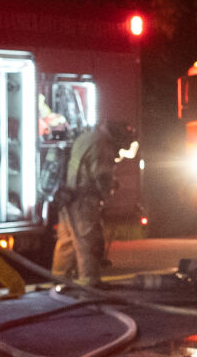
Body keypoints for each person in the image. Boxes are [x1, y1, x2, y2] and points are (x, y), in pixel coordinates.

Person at [51, 120, 134, 287]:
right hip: (84, 201)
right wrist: (108, 192)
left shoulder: (86, 137)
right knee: (87, 241)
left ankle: (59, 280)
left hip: (68, 197)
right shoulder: (102, 144)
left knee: (66, 243)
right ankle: (89, 282)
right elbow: (102, 176)